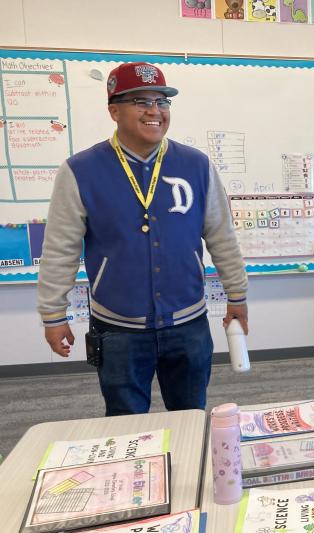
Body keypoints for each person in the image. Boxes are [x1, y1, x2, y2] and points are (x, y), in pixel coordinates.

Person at [37, 62, 248, 416]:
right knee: (124, 424)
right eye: (140, 102)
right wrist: (53, 314)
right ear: (113, 110)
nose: (155, 111)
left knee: (192, 417)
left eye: (162, 102)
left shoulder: (196, 165)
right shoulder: (80, 171)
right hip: (118, 329)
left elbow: (222, 236)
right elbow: (61, 249)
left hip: (188, 323)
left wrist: (237, 293)